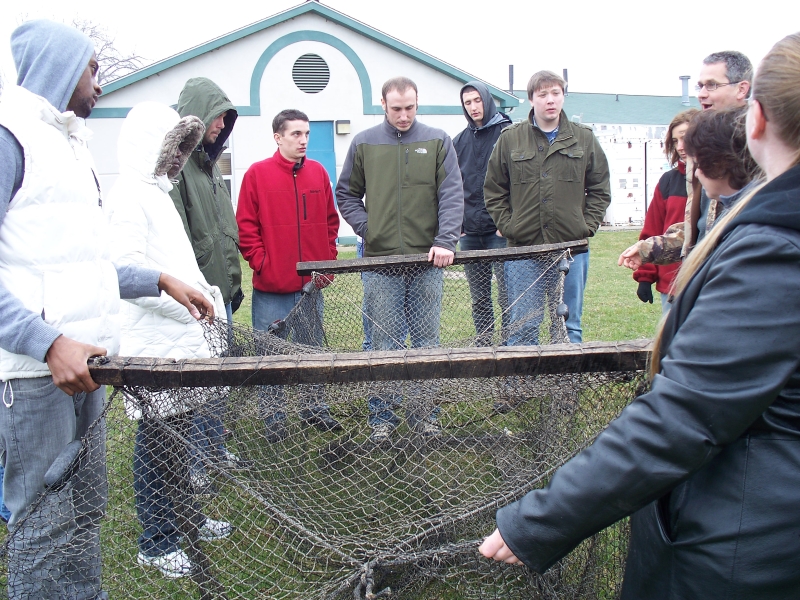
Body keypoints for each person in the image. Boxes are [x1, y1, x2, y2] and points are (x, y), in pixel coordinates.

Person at [480, 32, 800, 599]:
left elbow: (688, 414)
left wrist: (541, 517)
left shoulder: (776, 245)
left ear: (755, 119)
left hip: (746, 539)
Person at [0, 20, 213, 599]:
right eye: (92, 69)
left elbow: (89, 264)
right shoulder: (9, 138)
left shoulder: (72, 147)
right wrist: (46, 342)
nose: (100, 81)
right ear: (59, 68)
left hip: (91, 367)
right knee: (43, 527)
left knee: (87, 512)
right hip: (36, 376)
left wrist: (161, 279)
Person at [107, 101, 232, 579]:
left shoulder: (158, 194)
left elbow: (178, 268)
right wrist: (187, 303)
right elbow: (124, 274)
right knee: (158, 446)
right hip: (153, 344)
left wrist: (202, 301)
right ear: (148, 144)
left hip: (179, 339)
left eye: (183, 148)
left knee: (178, 443)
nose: (178, 157)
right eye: (172, 146)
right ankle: (156, 542)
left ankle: (188, 520)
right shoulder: (127, 197)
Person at [336, 76, 464, 442]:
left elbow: (452, 195)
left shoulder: (438, 140)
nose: (404, 115)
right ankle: (382, 418)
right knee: (383, 343)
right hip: (380, 261)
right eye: (396, 109)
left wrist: (445, 241)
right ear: (383, 104)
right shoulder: (363, 143)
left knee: (427, 342)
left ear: (417, 103)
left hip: (428, 261)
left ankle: (425, 416)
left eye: (410, 108)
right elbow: (346, 193)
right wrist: (368, 228)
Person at [236, 109, 341, 442]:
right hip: (271, 289)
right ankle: (274, 420)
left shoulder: (318, 173)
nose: (304, 140)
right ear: (278, 137)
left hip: (311, 287)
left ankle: (315, 409)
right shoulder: (257, 174)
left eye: (307, 134)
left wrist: (327, 264)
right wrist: (262, 262)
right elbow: (246, 227)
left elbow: (330, 223)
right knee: (270, 357)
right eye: (296, 134)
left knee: (312, 353)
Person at [484, 70, 610, 344]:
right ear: (531, 99)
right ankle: (522, 386)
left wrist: (585, 226)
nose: (550, 100)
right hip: (523, 251)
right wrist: (510, 226)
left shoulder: (583, 139)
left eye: (556, 93)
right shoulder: (510, 139)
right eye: (543, 94)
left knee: (568, 326)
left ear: (563, 97)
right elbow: (493, 190)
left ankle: (565, 385)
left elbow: (600, 189)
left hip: (571, 250)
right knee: (522, 327)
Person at [169, 77, 243, 477]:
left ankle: (214, 450)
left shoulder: (211, 170)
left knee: (219, 383)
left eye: (226, 119)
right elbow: (180, 238)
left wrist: (233, 284)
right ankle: (197, 463)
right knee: (201, 384)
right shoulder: (179, 172)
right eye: (217, 117)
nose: (221, 125)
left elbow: (224, 234)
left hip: (221, 292)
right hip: (197, 297)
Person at [619, 51, 752, 268]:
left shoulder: (761, 144)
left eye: (712, 85)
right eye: (700, 86)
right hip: (702, 277)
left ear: (742, 88)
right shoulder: (702, 145)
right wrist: (647, 249)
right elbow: (700, 228)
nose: (702, 94)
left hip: (740, 276)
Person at [453, 81, 512, 346]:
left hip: (499, 231)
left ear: (487, 101)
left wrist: (506, 224)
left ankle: (510, 342)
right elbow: (450, 186)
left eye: (477, 100)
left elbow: (517, 182)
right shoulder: (460, 141)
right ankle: (485, 342)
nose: (474, 107)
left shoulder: (508, 133)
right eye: (468, 103)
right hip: (470, 233)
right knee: (479, 296)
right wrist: (459, 225)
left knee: (507, 293)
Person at [631, 109, 697, 313]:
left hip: (706, 281)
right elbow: (653, 229)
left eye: (685, 138)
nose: (680, 147)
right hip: (671, 283)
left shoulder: (718, 180)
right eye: (675, 141)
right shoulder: (668, 181)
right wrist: (645, 276)